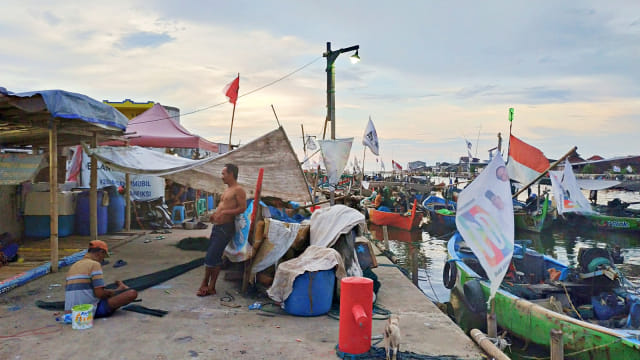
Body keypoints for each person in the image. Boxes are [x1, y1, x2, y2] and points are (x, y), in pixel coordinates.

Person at [197, 164, 247, 297]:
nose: (222, 176)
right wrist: (216, 214)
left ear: (231, 174)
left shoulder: (238, 190)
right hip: (218, 226)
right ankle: (211, 286)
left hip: (225, 227)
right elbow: (222, 205)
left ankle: (205, 284)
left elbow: (242, 208)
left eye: (224, 173)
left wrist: (225, 212)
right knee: (215, 256)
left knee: (211, 256)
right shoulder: (227, 190)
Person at [64, 240, 137, 320]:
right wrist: (113, 292)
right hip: (86, 312)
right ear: (101, 252)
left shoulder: (74, 266)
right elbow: (100, 294)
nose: (102, 260)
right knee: (132, 294)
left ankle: (120, 289)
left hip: (70, 311)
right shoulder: (95, 265)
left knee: (107, 293)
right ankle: (121, 289)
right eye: (104, 256)